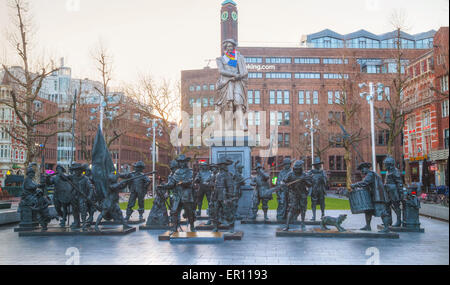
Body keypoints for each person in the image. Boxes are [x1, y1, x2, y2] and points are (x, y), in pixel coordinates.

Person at [216, 38, 249, 131]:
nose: (229, 48)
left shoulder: (239, 57)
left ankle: (242, 124)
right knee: (228, 105)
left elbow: (244, 71)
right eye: (228, 46)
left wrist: (239, 76)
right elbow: (221, 71)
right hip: (226, 83)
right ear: (225, 48)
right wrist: (234, 75)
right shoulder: (220, 59)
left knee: (239, 102)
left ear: (234, 47)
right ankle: (228, 127)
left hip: (237, 82)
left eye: (231, 46)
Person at [158, 155, 196, 233]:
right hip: (177, 195)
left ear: (186, 162)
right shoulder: (176, 173)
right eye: (180, 162)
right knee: (174, 212)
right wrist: (162, 186)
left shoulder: (190, 171)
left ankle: (192, 226)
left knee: (189, 212)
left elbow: (189, 181)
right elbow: (171, 184)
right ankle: (174, 228)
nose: (181, 164)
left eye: (183, 162)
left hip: (186, 195)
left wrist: (182, 183)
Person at [351, 162, 391, 232]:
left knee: (382, 211)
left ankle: (387, 228)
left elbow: (364, 183)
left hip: (378, 196)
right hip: (373, 196)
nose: (362, 171)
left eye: (362, 169)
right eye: (361, 170)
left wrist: (355, 185)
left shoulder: (370, 174)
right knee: (368, 211)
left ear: (367, 168)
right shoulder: (370, 174)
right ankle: (368, 226)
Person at [282, 160, 312, 231]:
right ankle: (287, 225)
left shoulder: (304, 175)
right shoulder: (290, 174)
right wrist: (283, 183)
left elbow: (310, 184)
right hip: (293, 193)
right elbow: (284, 181)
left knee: (303, 209)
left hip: (302, 194)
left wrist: (305, 180)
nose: (297, 170)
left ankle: (302, 223)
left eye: (298, 169)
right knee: (291, 209)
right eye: (296, 169)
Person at [210, 158, 235, 232]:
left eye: (222, 165)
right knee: (215, 211)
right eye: (220, 165)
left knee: (227, 211)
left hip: (224, 195)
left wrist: (230, 197)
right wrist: (211, 185)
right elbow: (213, 184)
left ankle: (231, 226)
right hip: (216, 194)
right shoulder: (217, 174)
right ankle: (215, 227)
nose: (221, 166)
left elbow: (230, 186)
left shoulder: (227, 175)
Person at [68, 162, 95, 230]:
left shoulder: (85, 178)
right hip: (74, 196)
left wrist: (89, 196)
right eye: (75, 170)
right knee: (75, 210)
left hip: (82, 196)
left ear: (81, 170)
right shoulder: (72, 177)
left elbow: (91, 188)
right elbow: (64, 177)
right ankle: (76, 222)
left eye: (78, 170)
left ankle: (83, 224)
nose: (77, 171)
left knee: (83, 209)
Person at [383, 157, 403, 227]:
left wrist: (400, 193)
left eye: (386, 164)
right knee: (387, 205)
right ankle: (388, 221)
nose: (385, 166)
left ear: (390, 164)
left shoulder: (395, 171)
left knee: (396, 206)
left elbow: (399, 182)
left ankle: (398, 221)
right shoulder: (387, 171)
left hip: (393, 191)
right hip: (388, 190)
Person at [309, 157, 328, 221]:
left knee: (322, 202)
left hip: (320, 190)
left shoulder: (322, 172)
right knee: (313, 203)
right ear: (314, 165)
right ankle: (314, 216)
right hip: (314, 190)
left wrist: (323, 177)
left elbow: (325, 181)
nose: (318, 165)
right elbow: (306, 179)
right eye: (317, 164)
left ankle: (323, 214)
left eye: (319, 164)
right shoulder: (311, 172)